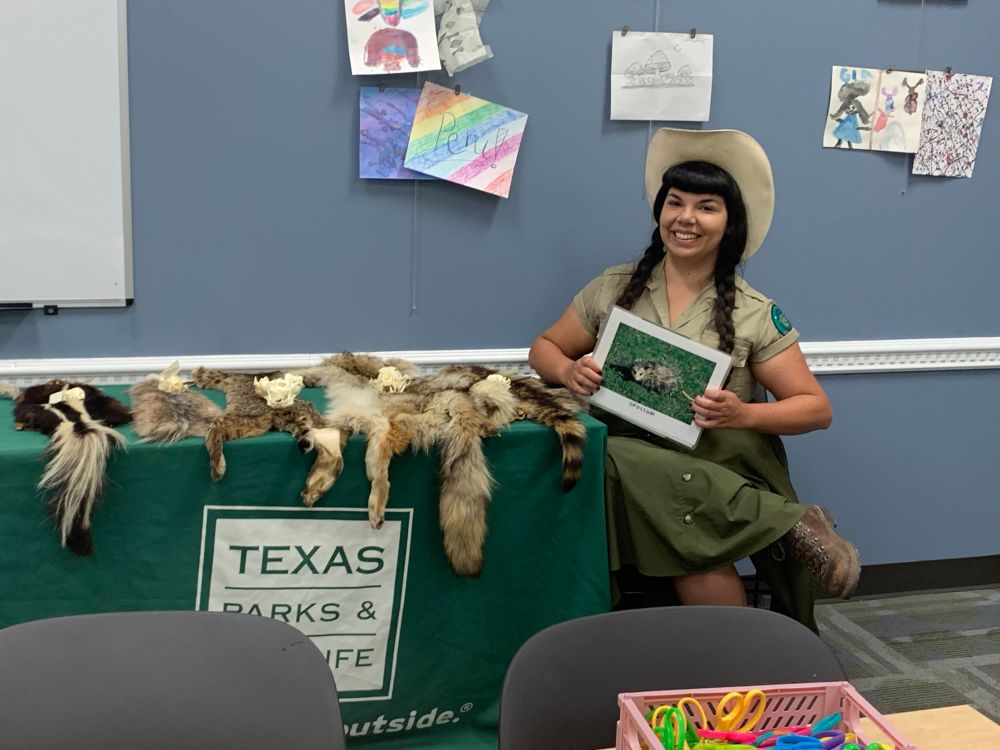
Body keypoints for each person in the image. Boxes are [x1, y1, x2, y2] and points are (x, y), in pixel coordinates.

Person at [528, 128, 860, 626]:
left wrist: (742, 412)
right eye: (675, 203)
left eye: (707, 207)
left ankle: (738, 664)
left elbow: (817, 409)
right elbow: (544, 348)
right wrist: (568, 370)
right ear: (659, 212)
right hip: (634, 455)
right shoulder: (614, 286)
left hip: (718, 461)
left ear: (730, 224)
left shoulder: (752, 312)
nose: (686, 218)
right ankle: (785, 529)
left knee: (647, 492)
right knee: (636, 478)